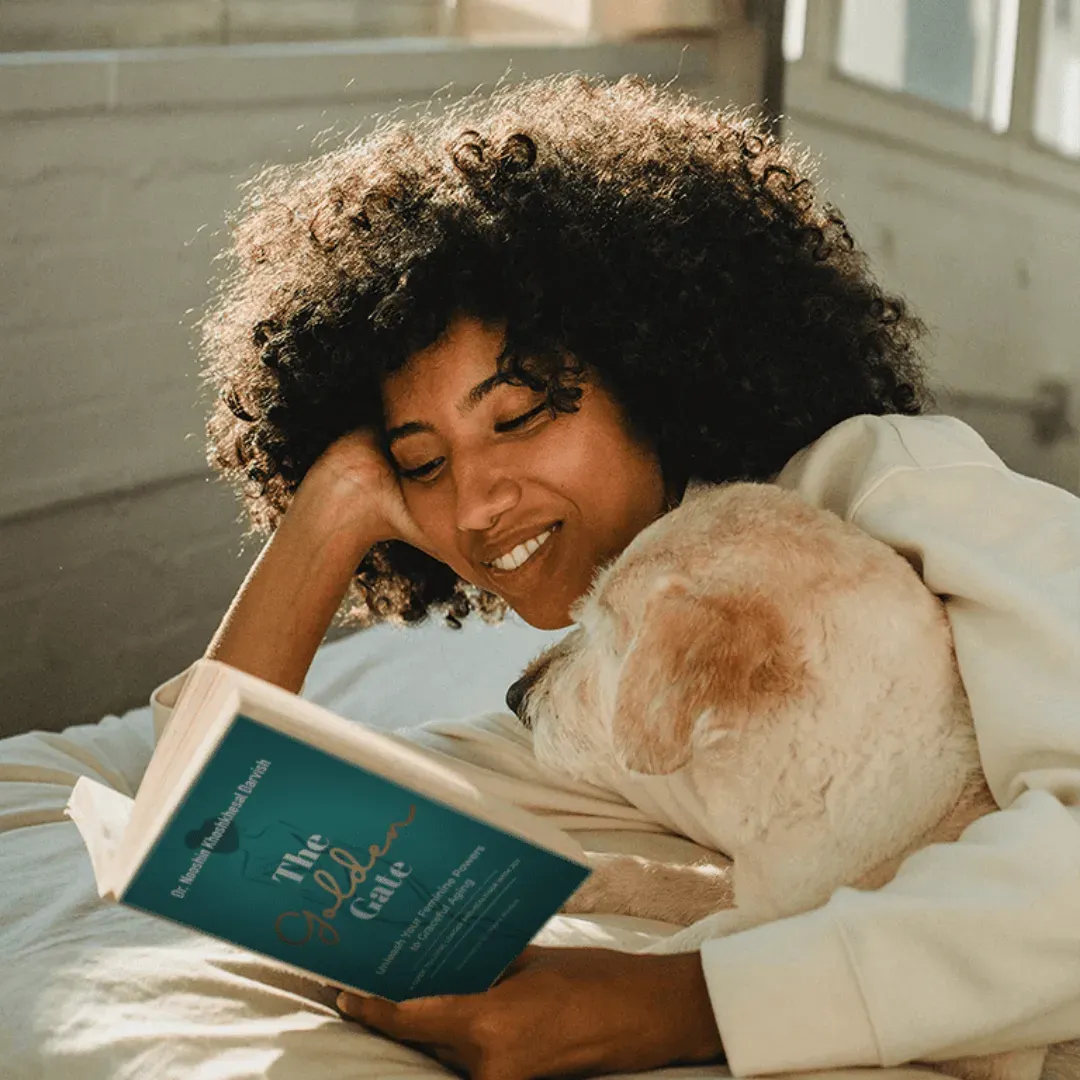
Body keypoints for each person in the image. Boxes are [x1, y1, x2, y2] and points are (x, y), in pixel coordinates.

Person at [152, 75, 1080, 1079]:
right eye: (423, 463)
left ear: (654, 368)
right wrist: (328, 513)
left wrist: (681, 1006)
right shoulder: (597, 707)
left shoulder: (891, 482)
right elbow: (216, 821)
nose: (475, 505)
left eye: (519, 416)